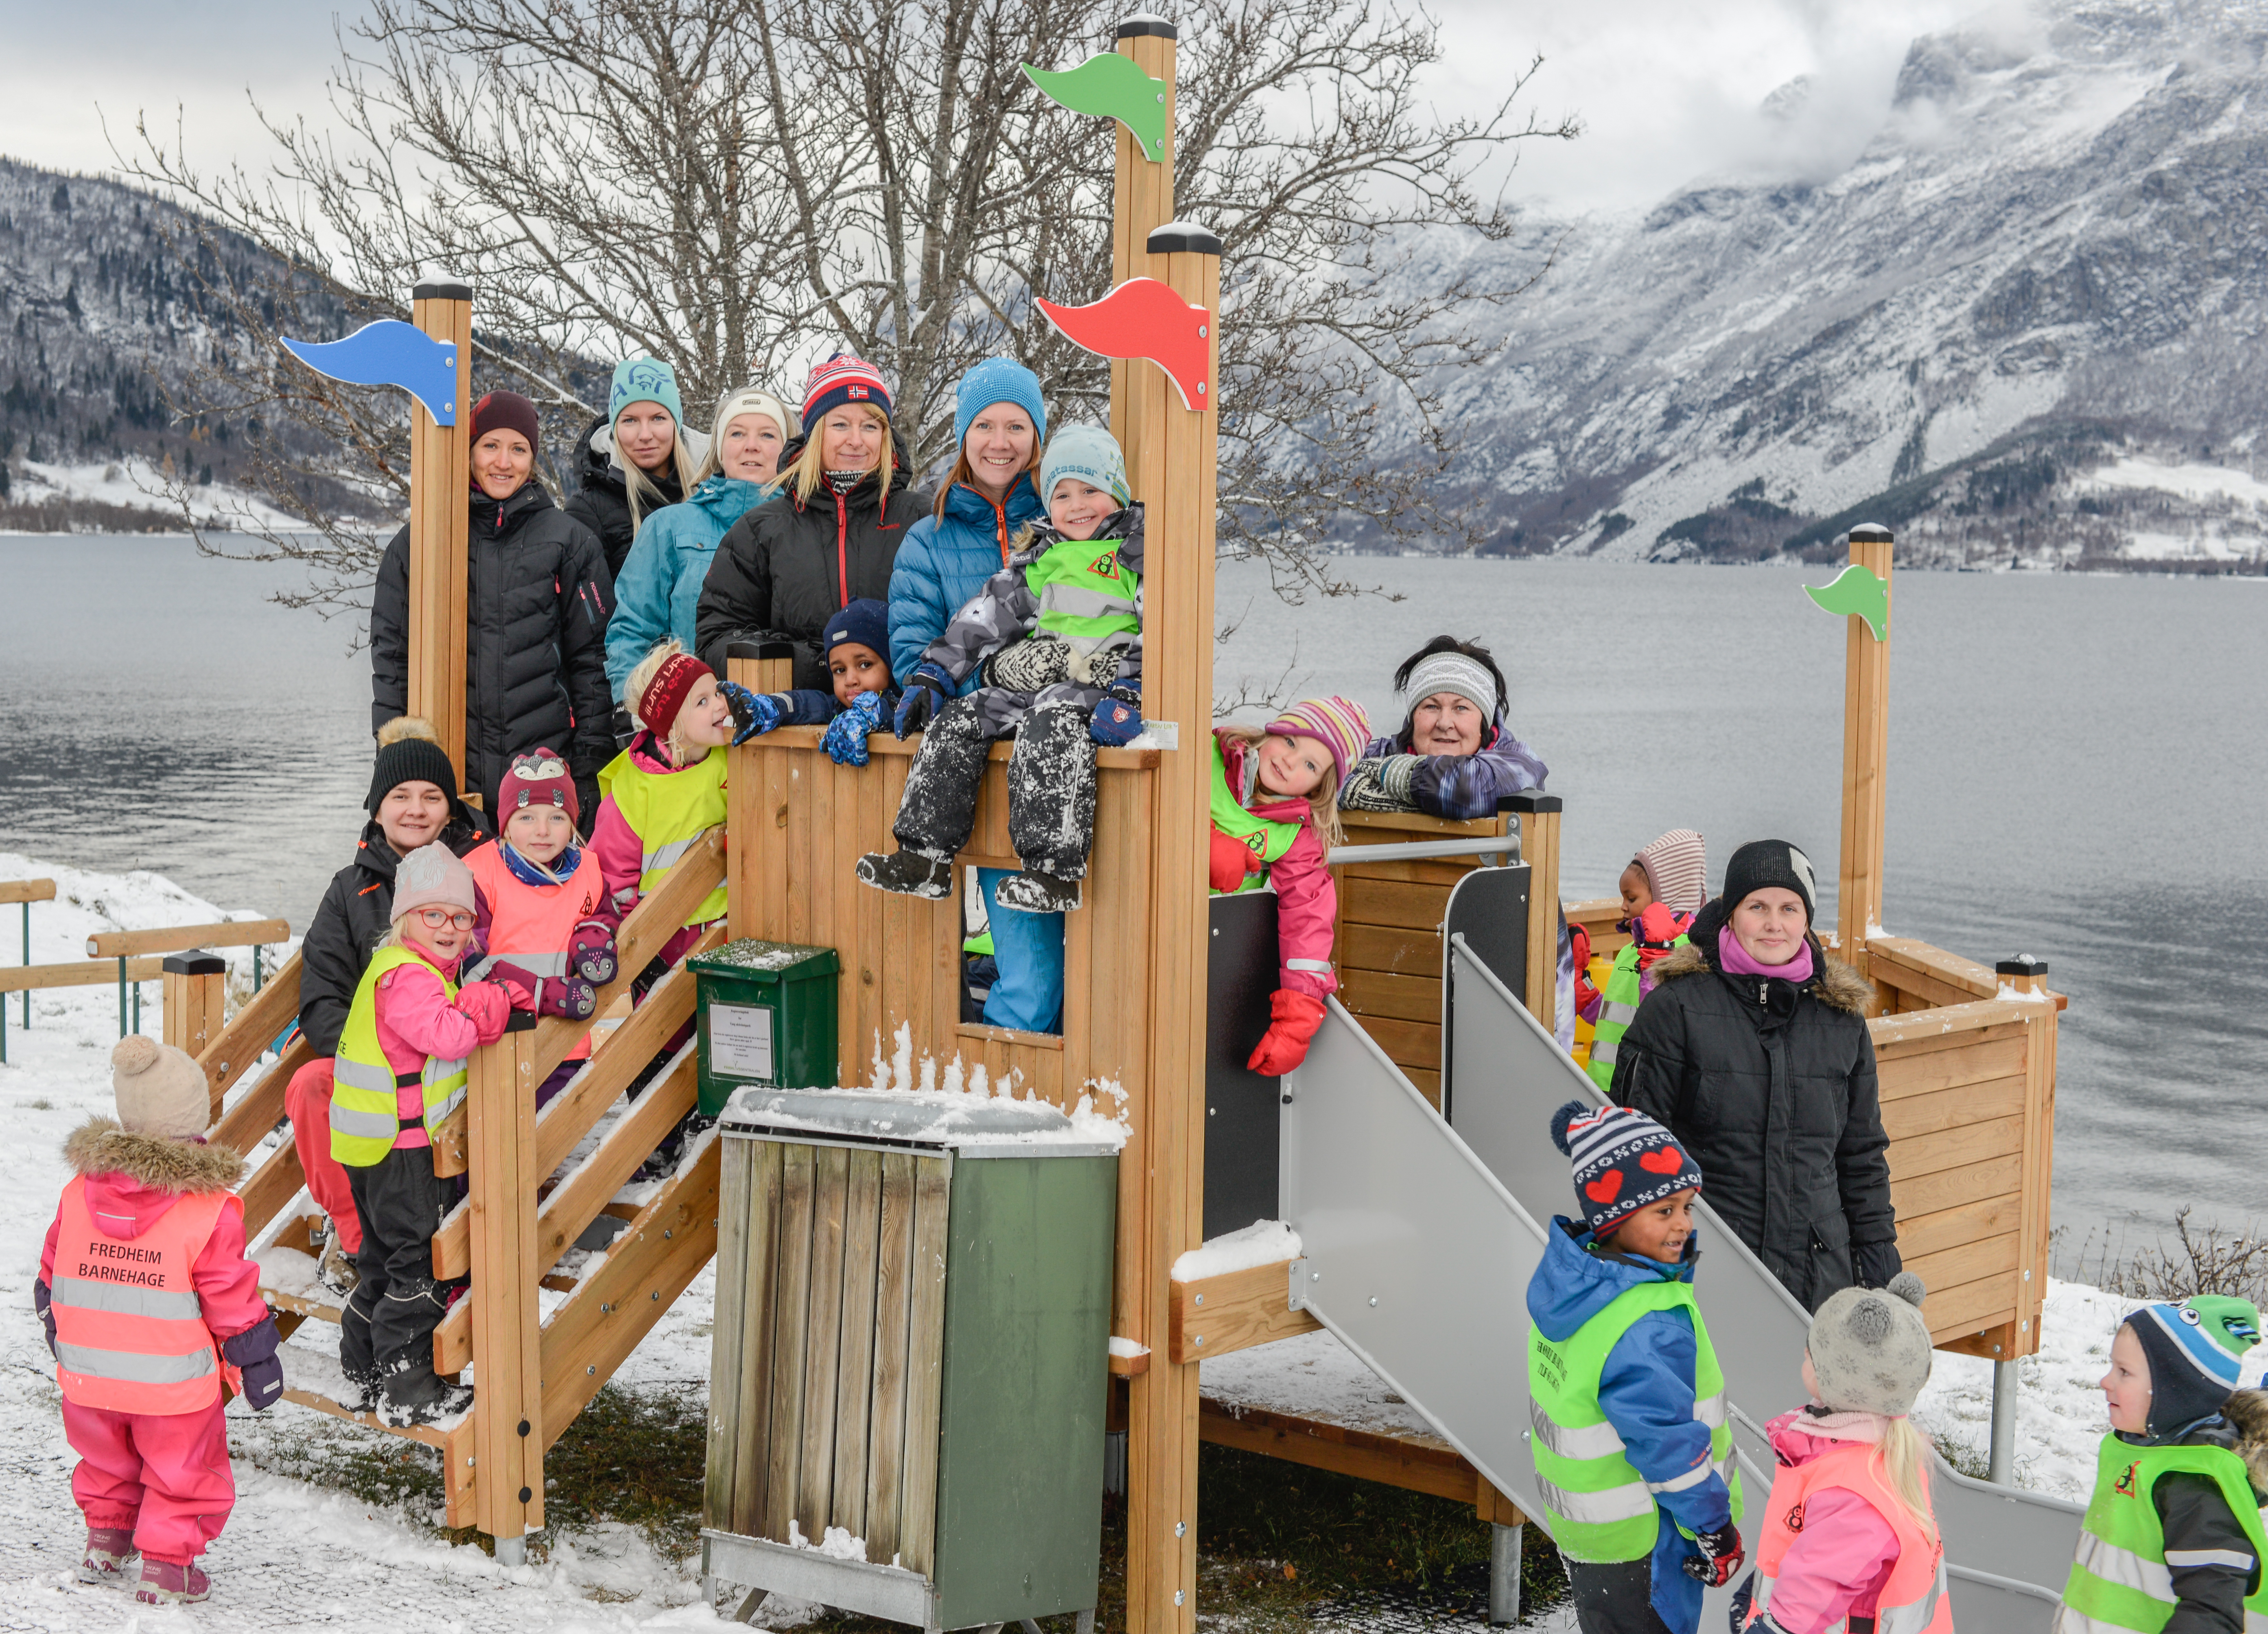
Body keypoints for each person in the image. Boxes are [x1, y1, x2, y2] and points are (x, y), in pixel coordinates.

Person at [854, 430, 1143, 1031]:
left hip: (1097, 687)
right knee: (963, 718)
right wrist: (935, 673)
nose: (1077, 505)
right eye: (1062, 494)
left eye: (1090, 490)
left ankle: (1052, 869)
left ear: (1116, 494)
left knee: (1049, 721)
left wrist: (1130, 693)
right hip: (1038, 678)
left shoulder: (1135, 553)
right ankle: (925, 855)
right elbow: (985, 616)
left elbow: (1157, 630)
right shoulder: (1042, 556)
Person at [37, 1036, 283, 1606]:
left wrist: (54, 1319)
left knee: (105, 1456)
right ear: (191, 1120)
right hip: (172, 1384)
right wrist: (255, 1354)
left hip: (90, 1372)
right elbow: (229, 1293)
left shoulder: (79, 1192)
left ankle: (105, 1539)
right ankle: (168, 1569)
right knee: (181, 1469)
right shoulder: (208, 1208)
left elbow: (54, 1267)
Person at [1612, 839, 1901, 1310]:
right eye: (1757, 906)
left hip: (1819, 1277)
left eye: (1789, 908)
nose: (1774, 924)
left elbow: (1861, 1156)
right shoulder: (1676, 1008)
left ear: (1806, 920)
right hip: (1705, 1272)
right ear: (1730, 915)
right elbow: (1636, 1150)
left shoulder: (1841, 1022)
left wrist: (1878, 1267)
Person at [287, 716, 492, 1291]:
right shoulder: (351, 890)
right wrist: (377, 1051)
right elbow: (322, 995)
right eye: (400, 796)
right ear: (376, 809)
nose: (416, 809)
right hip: (378, 1064)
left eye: (432, 796)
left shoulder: (484, 871)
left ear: (450, 808)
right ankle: (354, 1237)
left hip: (465, 1051)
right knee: (309, 1087)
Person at [1529, 1099, 1743, 1634]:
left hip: (1592, 1532)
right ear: (1614, 1220)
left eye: (1688, 1207)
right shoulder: (1647, 1324)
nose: (1684, 1226)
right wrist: (1715, 1530)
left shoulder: (1576, 1285)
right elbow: (1669, 1448)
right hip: (1652, 1536)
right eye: (1664, 1212)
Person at [331, 844, 515, 1423]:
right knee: (419, 1267)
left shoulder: (396, 971)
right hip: (404, 1151)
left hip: (375, 1146)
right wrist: (488, 1001)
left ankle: (363, 1369)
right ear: (405, 919)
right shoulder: (408, 976)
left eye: (462, 917)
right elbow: (448, 1036)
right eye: (434, 915)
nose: (450, 928)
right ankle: (409, 1389)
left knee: (383, 1263)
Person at [370, 389, 615, 821]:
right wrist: (393, 758)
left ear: (533, 458)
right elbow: (391, 658)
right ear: (469, 451)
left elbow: (593, 664)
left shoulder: (569, 542)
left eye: (518, 449)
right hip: (446, 778)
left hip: (543, 774)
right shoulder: (423, 539)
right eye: (490, 446)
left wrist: (587, 771)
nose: (504, 463)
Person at [1337, 635, 1575, 1045]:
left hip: (1516, 984)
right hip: (1393, 979)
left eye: (1461, 707)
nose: (1444, 722)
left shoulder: (1518, 762)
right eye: (1431, 706)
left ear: (1483, 720)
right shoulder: (1375, 750)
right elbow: (1321, 774)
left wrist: (1383, 779)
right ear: (1413, 714)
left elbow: (1461, 789)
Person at [693, 352, 928, 691]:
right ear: (815, 432)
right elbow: (717, 638)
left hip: (907, 729)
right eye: (840, 425)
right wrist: (824, 668)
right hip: (797, 728)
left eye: (870, 426)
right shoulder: (761, 530)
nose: (856, 440)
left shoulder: (921, 517)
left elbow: (956, 626)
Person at [1743, 1274, 1950, 1634]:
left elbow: (1813, 1592)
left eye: (1811, 1353)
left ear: (1841, 1379)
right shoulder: (1886, 1450)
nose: (1804, 1356)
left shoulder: (1851, 1489)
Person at [2059, 1298, 2268, 1634]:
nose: (2105, 1381)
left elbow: (2211, 1611)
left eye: (2124, 1372)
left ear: (2174, 1394)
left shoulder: (2193, 1485)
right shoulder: (2143, 1455)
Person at [605, 384, 800, 703]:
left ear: (787, 449)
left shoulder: (808, 530)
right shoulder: (668, 527)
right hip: (686, 735)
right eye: (737, 434)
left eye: (767, 435)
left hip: (786, 730)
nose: (751, 446)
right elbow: (632, 633)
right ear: (719, 448)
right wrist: (634, 711)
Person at [1212, 696, 1370, 1077]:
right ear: (1273, 732)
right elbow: (1146, 801)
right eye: (1290, 742)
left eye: (1310, 764)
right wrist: (1200, 846)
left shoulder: (1299, 836)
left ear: (1320, 787)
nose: (1289, 760)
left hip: (1209, 953)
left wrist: (1295, 1026)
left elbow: (1308, 922)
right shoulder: (1209, 759)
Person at [461, 748, 619, 1108]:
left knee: (553, 1138)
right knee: (504, 1145)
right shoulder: (479, 876)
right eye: (527, 817)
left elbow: (607, 913)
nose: (543, 831)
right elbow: (468, 962)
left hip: (567, 1042)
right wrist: (539, 993)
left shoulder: (588, 871)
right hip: (498, 1041)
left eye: (558, 818)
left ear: (573, 824)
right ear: (505, 823)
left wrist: (595, 934)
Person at [888, 357, 1049, 684]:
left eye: (1016, 427)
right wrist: (1003, 682)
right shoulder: (926, 543)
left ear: (1036, 436)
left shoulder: (1067, 527)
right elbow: (912, 669)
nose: (1000, 442)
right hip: (967, 726)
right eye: (984, 425)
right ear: (964, 436)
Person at [593, 643, 734, 973]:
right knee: (664, 1024)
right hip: (663, 940)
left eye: (717, 694)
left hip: (729, 928)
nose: (720, 706)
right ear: (672, 726)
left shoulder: (733, 759)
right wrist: (633, 942)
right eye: (702, 702)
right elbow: (613, 877)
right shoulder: (632, 790)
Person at [1576, 829, 1706, 1091]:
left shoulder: (1688, 952)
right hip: (1601, 1084)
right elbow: (1618, 1015)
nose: (1623, 906)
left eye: (1631, 898)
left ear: (1664, 898)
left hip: (1636, 1089)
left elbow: (1663, 1023)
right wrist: (1585, 995)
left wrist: (1656, 957)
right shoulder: (1631, 949)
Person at [566, 357, 707, 579]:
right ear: (614, 429)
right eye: (630, 421)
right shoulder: (589, 510)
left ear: (676, 424)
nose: (645, 435)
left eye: (658, 418)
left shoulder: (712, 491)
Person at [723, 597, 901, 768]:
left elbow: (900, 712)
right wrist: (770, 708)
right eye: (840, 670)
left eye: (865, 665)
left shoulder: (909, 703)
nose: (850, 680)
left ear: (891, 664)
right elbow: (806, 704)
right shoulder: (839, 707)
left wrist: (873, 714)